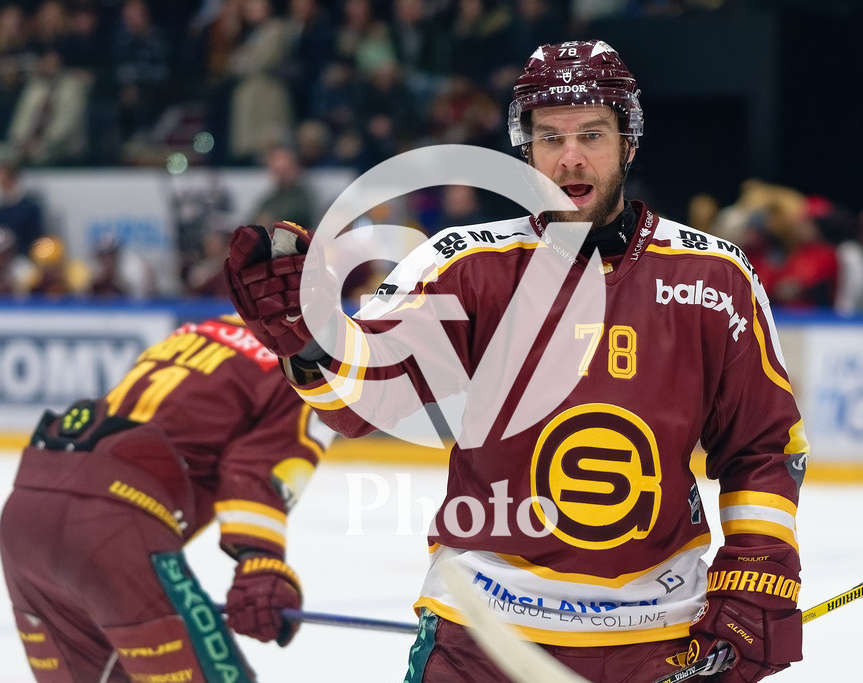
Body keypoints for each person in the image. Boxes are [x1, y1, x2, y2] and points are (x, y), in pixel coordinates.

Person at [224, 39, 806, 683]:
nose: (571, 156)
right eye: (550, 138)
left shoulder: (712, 275)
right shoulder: (464, 265)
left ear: (629, 142)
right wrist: (312, 341)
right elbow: (371, 398)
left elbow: (761, 445)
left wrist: (761, 566)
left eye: (593, 133)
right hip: (485, 634)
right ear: (525, 151)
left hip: (660, 632)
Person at [0, 314, 333, 682]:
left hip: (27, 510)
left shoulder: (201, 328)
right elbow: (257, 473)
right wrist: (260, 564)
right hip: (114, 524)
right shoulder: (310, 357)